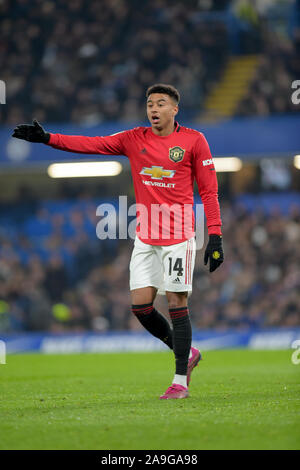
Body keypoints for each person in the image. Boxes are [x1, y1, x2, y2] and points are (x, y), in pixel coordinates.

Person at [12, 83, 224, 399]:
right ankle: (188, 351)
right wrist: (48, 139)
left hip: (178, 237)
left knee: (177, 301)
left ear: (174, 109)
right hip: (145, 237)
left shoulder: (194, 141)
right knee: (140, 306)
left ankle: (180, 381)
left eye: (161, 103)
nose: (153, 109)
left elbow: (208, 190)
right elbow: (91, 144)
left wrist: (216, 236)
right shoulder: (133, 139)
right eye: (150, 103)